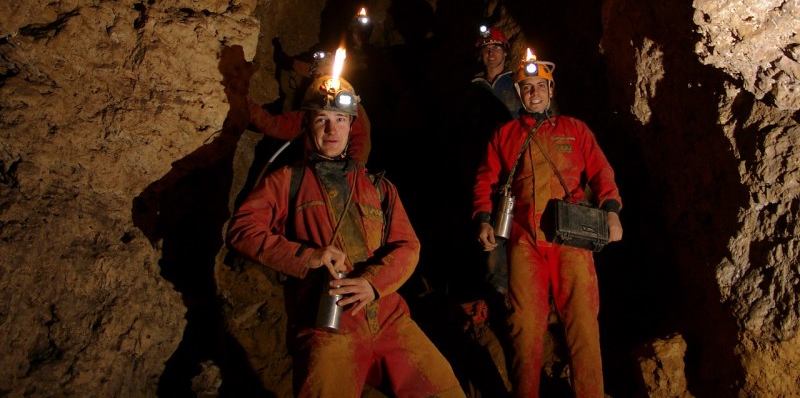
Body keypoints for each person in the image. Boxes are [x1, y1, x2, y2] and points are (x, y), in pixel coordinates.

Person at [227, 73, 466, 397]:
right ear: (307, 123)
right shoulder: (287, 181)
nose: (331, 130)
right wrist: (306, 256)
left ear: (352, 125)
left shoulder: (379, 186)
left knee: (444, 389)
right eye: (322, 119)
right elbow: (242, 229)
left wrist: (373, 283)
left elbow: (408, 245)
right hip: (326, 323)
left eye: (340, 119)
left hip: (387, 317)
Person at [473, 51, 623, 397]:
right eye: (527, 88)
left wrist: (611, 210)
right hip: (524, 240)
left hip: (572, 238)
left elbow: (601, 171)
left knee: (583, 322)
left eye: (541, 86)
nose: (534, 93)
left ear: (551, 91)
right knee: (525, 325)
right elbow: (484, 181)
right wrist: (483, 218)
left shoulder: (574, 129)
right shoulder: (505, 134)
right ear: (519, 94)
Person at [246, 50, 372, 166]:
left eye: (326, 74)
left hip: (342, 170)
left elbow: (361, 140)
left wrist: (354, 168)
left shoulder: (348, 106)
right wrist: (246, 104)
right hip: (311, 169)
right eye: (318, 75)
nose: (321, 78)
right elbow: (273, 124)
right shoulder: (311, 111)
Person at [471, 26, 521, 120]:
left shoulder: (518, 82)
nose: (490, 53)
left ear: (505, 52)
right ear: (481, 55)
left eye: (496, 47)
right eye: (486, 49)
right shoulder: (473, 85)